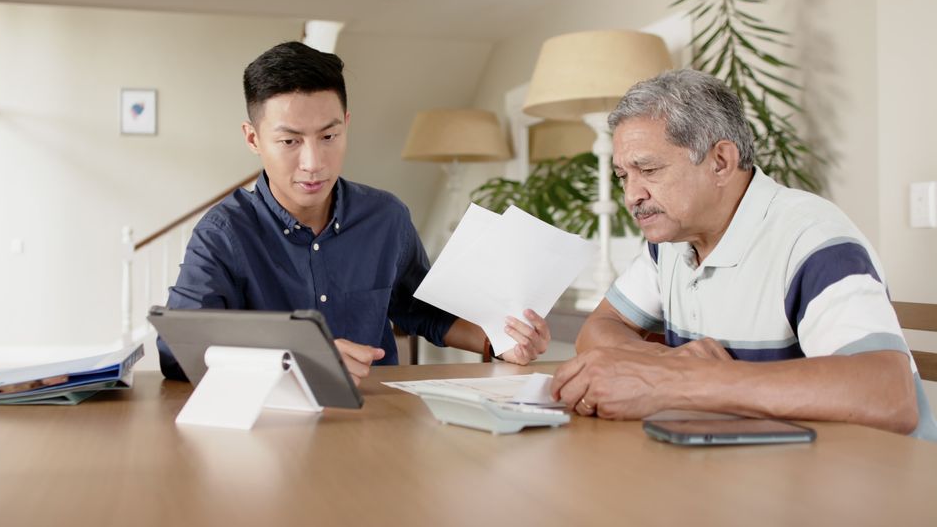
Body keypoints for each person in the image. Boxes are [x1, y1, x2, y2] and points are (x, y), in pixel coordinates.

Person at [550, 68, 936, 439]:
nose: (632, 194)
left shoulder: (813, 241)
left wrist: (677, 382)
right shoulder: (670, 242)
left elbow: (888, 394)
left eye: (648, 169)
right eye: (623, 175)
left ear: (720, 161)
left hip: (875, 480)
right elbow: (599, 328)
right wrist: (669, 363)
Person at [158, 41, 550, 384]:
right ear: (253, 138)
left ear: (346, 125)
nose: (313, 162)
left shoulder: (386, 216)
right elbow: (177, 352)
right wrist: (297, 357)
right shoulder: (224, 232)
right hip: (270, 421)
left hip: (378, 417)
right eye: (290, 141)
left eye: (329, 137)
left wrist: (499, 341)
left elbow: (419, 309)